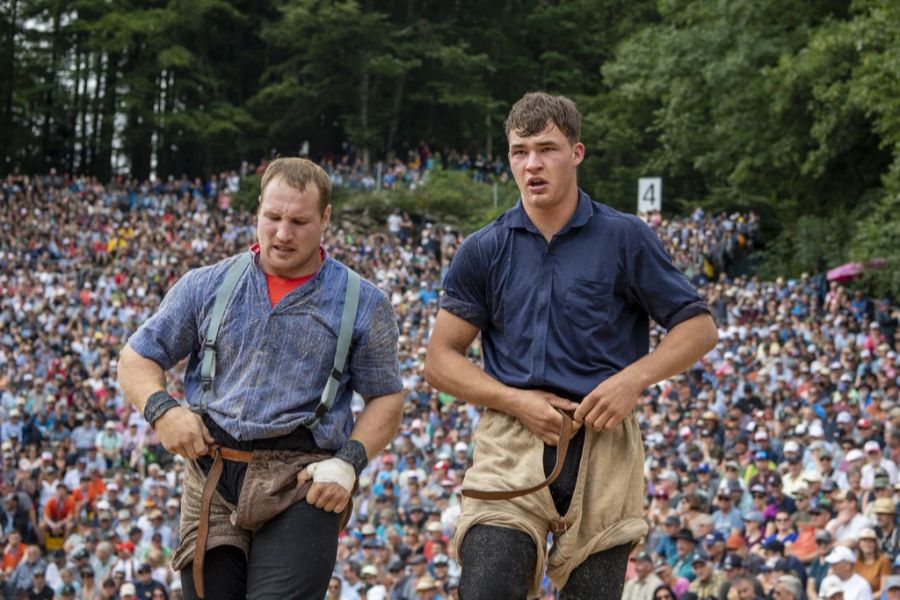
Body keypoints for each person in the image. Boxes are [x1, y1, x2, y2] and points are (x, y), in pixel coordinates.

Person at [424, 92, 717, 599]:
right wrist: (516, 400)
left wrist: (632, 380)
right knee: (488, 585)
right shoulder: (483, 248)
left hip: (605, 442)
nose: (532, 164)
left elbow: (698, 328)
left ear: (576, 153)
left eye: (547, 148)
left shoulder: (625, 236)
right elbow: (440, 361)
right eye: (519, 151)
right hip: (511, 439)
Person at [118, 157, 404, 599]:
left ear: (325, 218)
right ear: (257, 212)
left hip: (302, 480)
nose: (283, 233)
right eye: (272, 217)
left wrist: (349, 461)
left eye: (299, 221)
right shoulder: (206, 285)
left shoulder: (363, 303)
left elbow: (386, 399)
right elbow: (136, 358)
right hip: (212, 472)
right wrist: (162, 410)